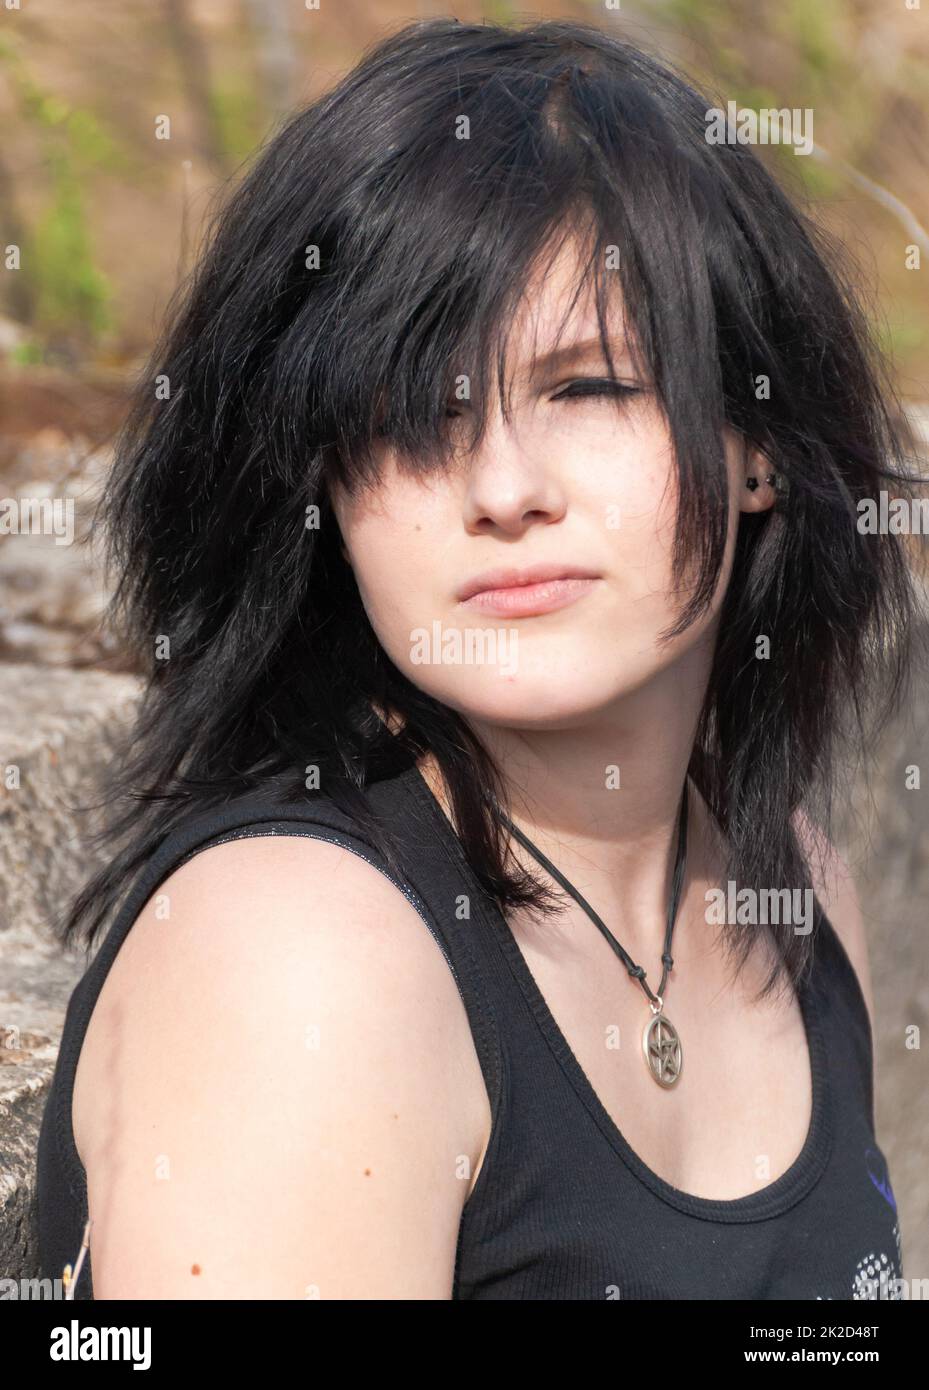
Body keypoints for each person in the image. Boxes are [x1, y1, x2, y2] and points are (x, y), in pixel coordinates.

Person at [37, 16, 922, 1300]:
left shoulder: (791, 887)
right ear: (322, 492)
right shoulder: (303, 966)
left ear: (756, 444)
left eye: (588, 388)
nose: (503, 488)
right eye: (413, 410)